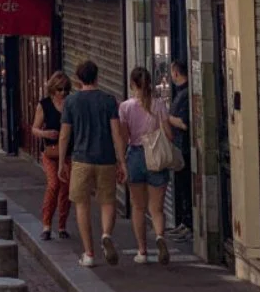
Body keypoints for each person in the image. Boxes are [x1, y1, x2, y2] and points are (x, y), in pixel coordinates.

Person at [58, 60, 127, 269]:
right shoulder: (108, 100)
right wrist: (122, 161)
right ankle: (106, 234)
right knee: (107, 201)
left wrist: (62, 161)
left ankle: (88, 253)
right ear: (97, 76)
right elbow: (116, 133)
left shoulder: (71, 102)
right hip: (106, 159)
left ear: (78, 79)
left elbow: (64, 135)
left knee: (82, 205)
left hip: (81, 160)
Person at [119, 66, 174, 265]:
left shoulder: (125, 107)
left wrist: (122, 161)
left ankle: (142, 251)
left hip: (135, 156)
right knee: (157, 208)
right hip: (156, 157)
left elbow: (125, 137)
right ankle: (160, 237)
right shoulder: (159, 104)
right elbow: (168, 133)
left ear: (132, 84)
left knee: (138, 207)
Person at [31, 71, 72, 241]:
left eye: (66, 90)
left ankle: (62, 226)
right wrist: (45, 134)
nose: (62, 93)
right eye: (59, 89)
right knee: (53, 184)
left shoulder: (70, 104)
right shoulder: (44, 105)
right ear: (53, 89)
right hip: (50, 152)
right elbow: (34, 128)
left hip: (69, 152)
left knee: (66, 189)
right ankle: (46, 225)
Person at [168, 60, 192, 242]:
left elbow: (184, 123)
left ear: (176, 73)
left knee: (185, 186)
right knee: (182, 187)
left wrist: (167, 118)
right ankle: (184, 222)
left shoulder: (185, 94)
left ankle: (189, 224)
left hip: (184, 148)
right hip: (178, 147)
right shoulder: (181, 93)